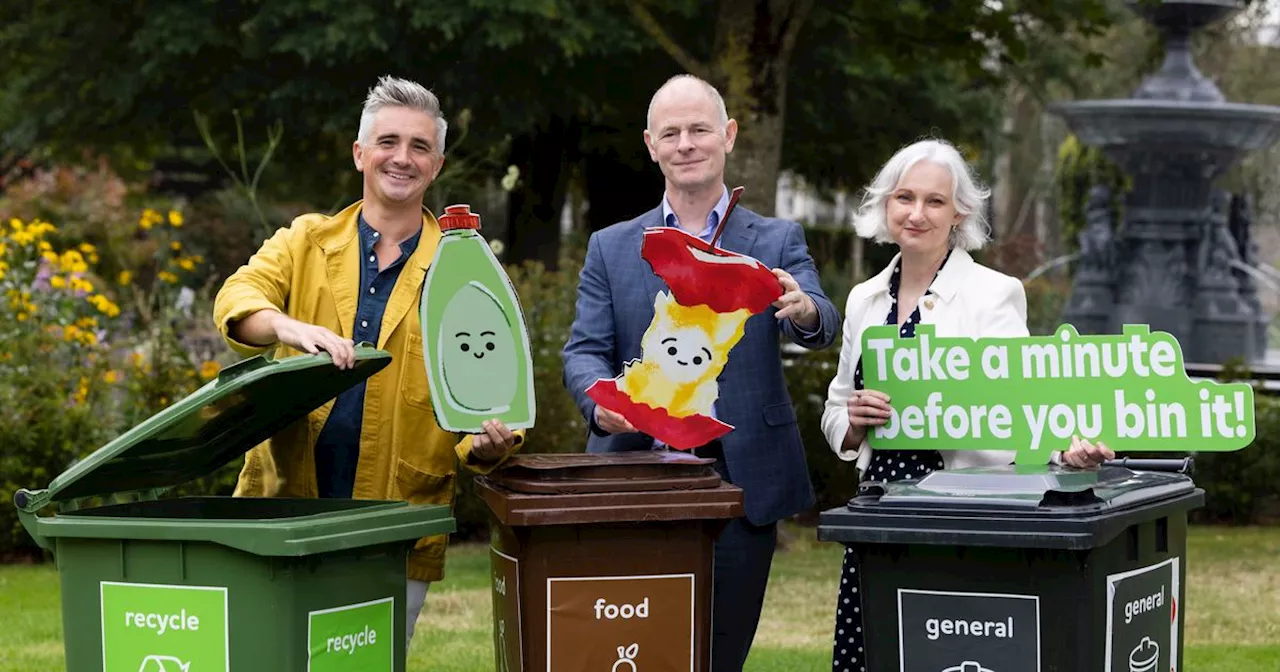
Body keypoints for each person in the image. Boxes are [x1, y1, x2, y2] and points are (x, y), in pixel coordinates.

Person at [212, 75, 523, 645]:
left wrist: (486, 445)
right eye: (388, 142)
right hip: (283, 507)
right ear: (360, 153)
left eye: (419, 146)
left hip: (394, 522)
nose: (401, 158)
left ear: (437, 165)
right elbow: (239, 296)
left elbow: (486, 388)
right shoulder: (305, 240)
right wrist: (285, 324)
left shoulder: (463, 271)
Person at [561, 74, 840, 672]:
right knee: (636, 650)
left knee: (721, 655)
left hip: (741, 480)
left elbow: (819, 320)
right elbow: (583, 351)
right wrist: (597, 402)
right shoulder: (611, 246)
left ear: (728, 136)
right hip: (634, 477)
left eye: (699, 129)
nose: (686, 143)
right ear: (651, 145)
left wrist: (805, 307)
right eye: (671, 133)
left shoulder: (775, 238)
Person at [819, 138, 1113, 670]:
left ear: (959, 213)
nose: (916, 213)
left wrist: (1066, 452)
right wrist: (853, 425)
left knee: (949, 650)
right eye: (905, 197)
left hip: (964, 512)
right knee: (875, 650)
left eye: (935, 201)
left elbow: (1027, 405)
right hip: (880, 510)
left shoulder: (992, 293)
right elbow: (837, 406)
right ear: (886, 204)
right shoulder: (863, 299)